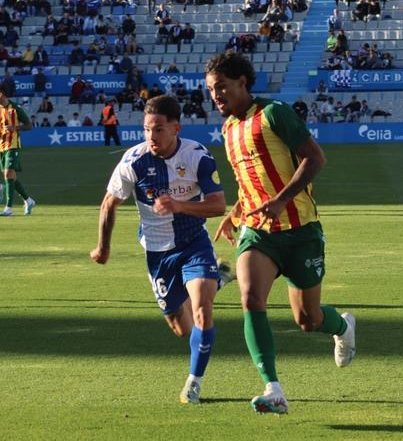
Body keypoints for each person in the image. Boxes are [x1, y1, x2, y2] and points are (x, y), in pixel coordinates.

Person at [204, 52, 355, 415]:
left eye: (222, 87)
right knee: (251, 297)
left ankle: (343, 326)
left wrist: (280, 199)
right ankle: (273, 388)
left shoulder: (273, 114)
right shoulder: (228, 130)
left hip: (301, 231)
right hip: (259, 233)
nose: (216, 96)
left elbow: (315, 157)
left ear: (243, 82)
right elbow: (247, 183)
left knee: (309, 320)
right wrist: (235, 213)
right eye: (211, 90)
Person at [90, 95, 235, 405]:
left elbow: (218, 205)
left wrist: (180, 205)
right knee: (182, 328)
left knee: (202, 312)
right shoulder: (134, 160)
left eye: (158, 130)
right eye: (146, 130)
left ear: (176, 128)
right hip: (158, 252)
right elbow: (108, 203)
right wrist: (103, 247)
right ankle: (218, 281)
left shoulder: (197, 155)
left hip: (194, 243)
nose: (151, 137)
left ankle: (194, 382)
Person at [0, 82, 36, 216]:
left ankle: (8, 208)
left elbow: (29, 125)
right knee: (11, 177)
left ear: (0, 94)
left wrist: (16, 128)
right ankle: (28, 200)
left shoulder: (15, 108)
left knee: (8, 174)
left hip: (12, 144)